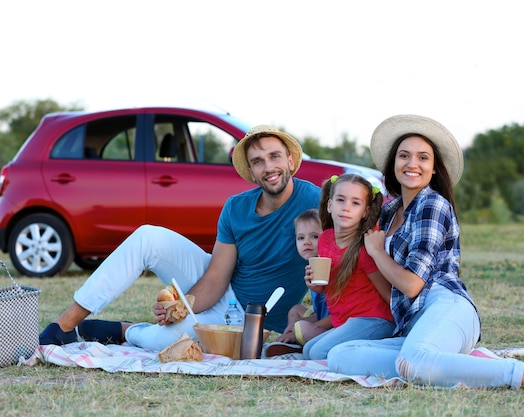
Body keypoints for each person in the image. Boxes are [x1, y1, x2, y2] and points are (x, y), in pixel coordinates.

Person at [326, 115, 524, 396]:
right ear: (394, 163)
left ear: (435, 168)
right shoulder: (389, 212)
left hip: (445, 305)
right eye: (404, 156)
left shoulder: (431, 204)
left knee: (413, 362)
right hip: (412, 322)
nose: (412, 164)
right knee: (340, 355)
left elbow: (412, 284)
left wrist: (377, 252)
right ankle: (462, 366)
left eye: (423, 158)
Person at [38, 125, 322, 351]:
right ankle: (63, 327)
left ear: (290, 160)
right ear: (251, 171)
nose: (268, 167)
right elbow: (215, 278)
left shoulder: (315, 202)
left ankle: (125, 330)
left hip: (250, 319)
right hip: (221, 290)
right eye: (258, 161)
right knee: (147, 236)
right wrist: (181, 306)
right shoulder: (236, 207)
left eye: (274, 156)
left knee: (160, 342)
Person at [302, 173, 395, 360]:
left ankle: (392, 346)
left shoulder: (364, 248)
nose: (346, 208)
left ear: (366, 212)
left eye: (355, 203)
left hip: (375, 319)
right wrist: (315, 285)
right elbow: (329, 287)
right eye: (341, 200)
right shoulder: (325, 239)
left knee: (317, 353)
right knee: (308, 349)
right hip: (345, 320)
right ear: (329, 205)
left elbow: (387, 293)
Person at [266, 209, 332, 357]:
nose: (306, 242)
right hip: (322, 317)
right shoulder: (312, 266)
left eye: (314, 236)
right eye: (301, 238)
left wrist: (306, 326)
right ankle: (292, 342)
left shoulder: (328, 266)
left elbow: (337, 316)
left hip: (336, 325)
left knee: (302, 328)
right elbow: (321, 311)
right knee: (296, 310)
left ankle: (298, 339)